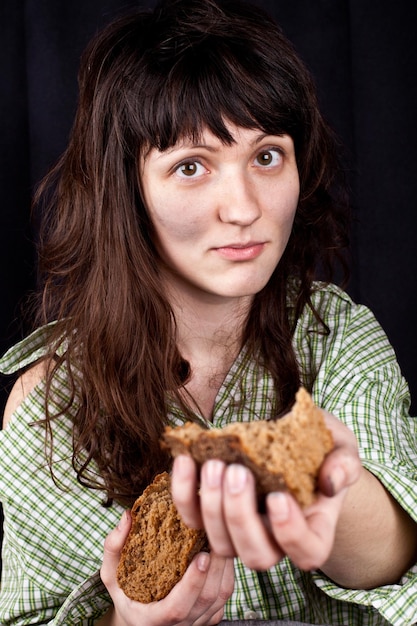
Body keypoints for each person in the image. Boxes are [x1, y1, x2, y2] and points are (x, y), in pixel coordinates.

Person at [0, 0, 417, 624]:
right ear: (126, 192)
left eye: (267, 155)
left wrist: (325, 481)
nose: (244, 206)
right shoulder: (51, 409)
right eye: (191, 167)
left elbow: (395, 558)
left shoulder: (337, 338)